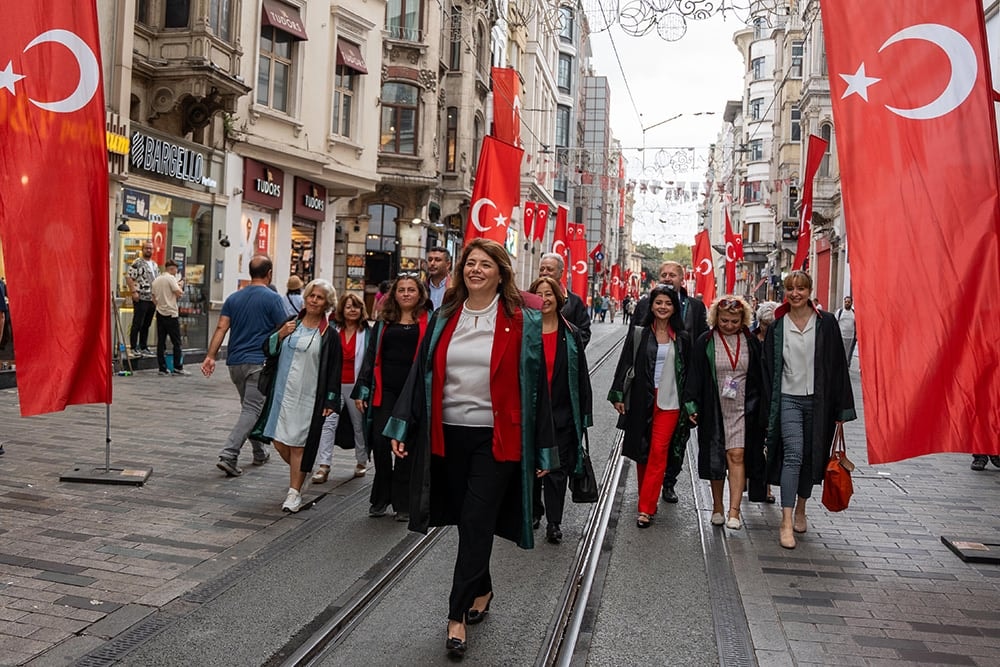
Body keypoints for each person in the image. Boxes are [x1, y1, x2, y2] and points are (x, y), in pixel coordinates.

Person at [384, 239, 555, 660]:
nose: (476, 270)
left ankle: (455, 615)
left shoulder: (521, 318)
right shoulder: (446, 315)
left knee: (477, 520)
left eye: (485, 264)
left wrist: (544, 451)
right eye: (470, 264)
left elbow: (538, 390)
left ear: (501, 272)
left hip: (496, 438)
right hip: (447, 435)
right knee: (465, 520)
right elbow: (420, 372)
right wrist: (402, 425)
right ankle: (483, 587)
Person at [762, 270, 856, 549]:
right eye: (790, 288)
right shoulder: (778, 327)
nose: (795, 293)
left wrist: (842, 410)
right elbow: (767, 370)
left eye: (801, 288)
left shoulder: (826, 323)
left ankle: (802, 508)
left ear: (810, 291)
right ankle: (786, 521)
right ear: (785, 292)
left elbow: (838, 365)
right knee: (793, 454)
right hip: (788, 398)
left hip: (819, 402)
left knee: (810, 457)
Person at [252, 279, 343, 512]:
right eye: (311, 295)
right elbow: (268, 349)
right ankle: (302, 470)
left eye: (319, 297)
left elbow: (334, 369)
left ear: (327, 304)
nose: (314, 300)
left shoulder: (329, 335)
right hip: (282, 394)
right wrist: (280, 335)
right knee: (279, 441)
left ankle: (294, 493)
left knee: (299, 445)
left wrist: (331, 399)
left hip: (309, 398)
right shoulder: (290, 324)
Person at [608, 284, 691, 529]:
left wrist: (691, 405)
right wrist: (618, 395)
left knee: (658, 452)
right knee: (642, 452)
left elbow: (689, 373)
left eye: (668, 303)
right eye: (658, 303)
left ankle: (645, 508)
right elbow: (625, 363)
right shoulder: (639, 333)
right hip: (642, 399)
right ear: (651, 306)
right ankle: (647, 497)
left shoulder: (683, 338)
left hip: (670, 402)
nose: (663, 307)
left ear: (674, 307)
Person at [201, 255, 289, 476]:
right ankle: (229, 454)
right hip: (259, 363)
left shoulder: (234, 298)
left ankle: (260, 451)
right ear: (269, 273)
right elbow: (285, 330)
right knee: (252, 409)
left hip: (235, 364)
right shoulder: (273, 299)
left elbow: (221, 328)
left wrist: (210, 356)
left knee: (249, 409)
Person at [353, 274, 431, 521]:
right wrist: (362, 389)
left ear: (419, 294)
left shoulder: (428, 323)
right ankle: (380, 496)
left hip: (413, 394)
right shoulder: (384, 323)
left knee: (406, 446)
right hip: (384, 391)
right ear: (394, 295)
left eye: (411, 290)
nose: (406, 294)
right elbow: (370, 357)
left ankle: (402, 502)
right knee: (381, 442)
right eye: (401, 290)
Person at [632, 261, 708, 503]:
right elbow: (632, 347)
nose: (667, 277)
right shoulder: (645, 304)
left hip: (679, 386)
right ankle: (649, 492)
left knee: (675, 442)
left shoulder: (695, 307)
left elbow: (701, 342)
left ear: (681, 278)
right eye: (663, 274)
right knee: (647, 445)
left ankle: (669, 481)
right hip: (646, 387)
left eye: (672, 274)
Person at [685, 296, 764, 530]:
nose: (729, 325)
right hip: (713, 406)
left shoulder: (751, 342)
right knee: (716, 457)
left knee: (737, 455)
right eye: (724, 320)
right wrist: (691, 404)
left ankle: (734, 511)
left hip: (742, 407)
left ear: (743, 320)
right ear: (716, 318)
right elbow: (695, 374)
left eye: (734, 321)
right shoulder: (705, 341)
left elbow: (760, 377)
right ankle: (718, 506)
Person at [529, 276, 593, 544]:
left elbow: (581, 378)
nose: (544, 299)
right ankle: (533, 510)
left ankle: (554, 521)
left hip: (562, 413)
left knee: (557, 470)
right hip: (531, 413)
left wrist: (584, 416)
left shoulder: (571, 333)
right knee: (531, 466)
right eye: (539, 294)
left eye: (549, 294)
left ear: (558, 299)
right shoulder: (523, 331)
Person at [313, 293, 371, 483]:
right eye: (348, 306)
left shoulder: (367, 332)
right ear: (342, 310)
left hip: (355, 387)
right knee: (328, 424)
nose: (352, 310)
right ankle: (324, 465)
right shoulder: (332, 330)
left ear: (361, 310)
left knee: (358, 425)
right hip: (334, 385)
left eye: (355, 307)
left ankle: (361, 461)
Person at [754, 300, 779, 504]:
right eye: (764, 325)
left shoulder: (781, 343)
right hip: (752, 400)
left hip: (772, 399)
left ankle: (767, 487)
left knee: (768, 445)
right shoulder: (751, 340)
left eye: (771, 325)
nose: (767, 329)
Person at [538, 253, 591, 347]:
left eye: (549, 269)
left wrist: (567, 351)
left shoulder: (575, 302)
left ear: (561, 272)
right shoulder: (529, 298)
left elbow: (584, 333)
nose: (544, 272)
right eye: (542, 269)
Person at [150, 259, 189, 376]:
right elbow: (179, 293)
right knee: (176, 341)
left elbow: (153, 298)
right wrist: (181, 284)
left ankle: (162, 368)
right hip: (171, 313)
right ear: (171, 269)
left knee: (161, 342)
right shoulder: (171, 278)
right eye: (175, 270)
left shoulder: (156, 280)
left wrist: (160, 305)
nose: (176, 272)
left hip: (160, 312)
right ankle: (178, 367)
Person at [126, 240, 158, 357]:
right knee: (137, 322)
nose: (149, 250)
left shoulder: (154, 265)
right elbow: (129, 277)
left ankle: (143, 346)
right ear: (142, 249)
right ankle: (133, 347)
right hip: (141, 297)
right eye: (147, 248)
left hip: (151, 298)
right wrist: (133, 291)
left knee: (147, 324)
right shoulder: (137, 263)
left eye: (151, 248)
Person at [425, 246, 452, 311]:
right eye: (430, 260)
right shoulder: (422, 287)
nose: (432, 263)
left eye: (437, 260)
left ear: (448, 265)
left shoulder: (454, 288)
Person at [834, 295, 857, 366]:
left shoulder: (854, 313)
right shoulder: (840, 312)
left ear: (851, 303)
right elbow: (835, 323)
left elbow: (856, 324)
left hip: (851, 337)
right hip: (841, 336)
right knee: (840, 353)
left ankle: (846, 367)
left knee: (848, 354)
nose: (847, 303)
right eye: (846, 302)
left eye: (848, 302)